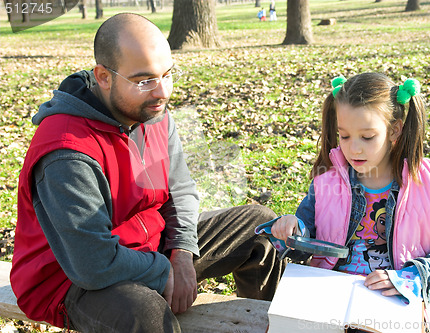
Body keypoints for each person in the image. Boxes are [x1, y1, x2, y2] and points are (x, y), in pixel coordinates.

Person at [11, 13, 284, 333]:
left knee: (260, 226)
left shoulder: (150, 110)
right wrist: (165, 272)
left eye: (167, 74)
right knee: (145, 315)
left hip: (148, 245)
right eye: (144, 80)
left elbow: (179, 189)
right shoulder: (67, 151)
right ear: (103, 76)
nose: (161, 92)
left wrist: (181, 253)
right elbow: (92, 263)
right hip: (69, 277)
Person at [269, 73, 430, 331]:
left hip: (396, 299)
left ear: (394, 129)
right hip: (329, 295)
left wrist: (412, 276)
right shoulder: (326, 181)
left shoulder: (429, 185)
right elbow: (304, 237)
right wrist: (292, 229)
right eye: (345, 136)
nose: (354, 149)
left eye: (367, 137)